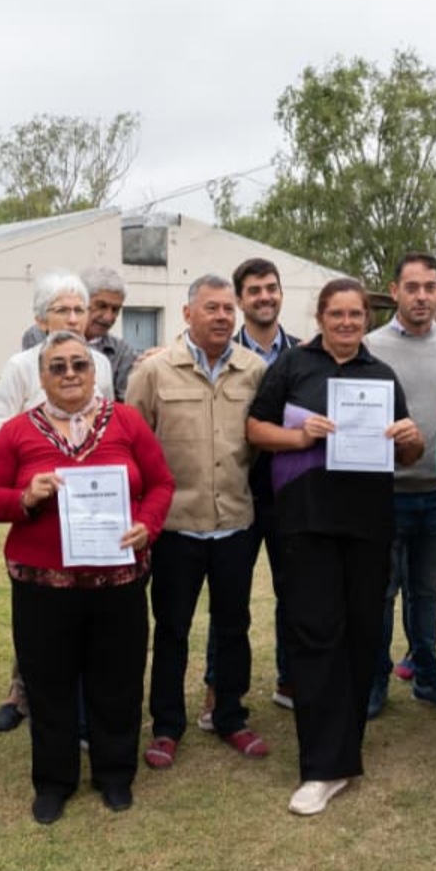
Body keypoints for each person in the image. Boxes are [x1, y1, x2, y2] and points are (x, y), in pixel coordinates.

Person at [0, 331, 174, 824]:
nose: (69, 374)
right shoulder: (17, 432)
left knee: (119, 681)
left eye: (79, 365)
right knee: (49, 684)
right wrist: (25, 496)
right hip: (43, 587)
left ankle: (114, 774)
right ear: (41, 377)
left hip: (118, 583)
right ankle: (54, 781)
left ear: (95, 372)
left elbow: (161, 483)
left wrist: (147, 526)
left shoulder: (125, 421)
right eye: (58, 366)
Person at [248, 278, 423, 817]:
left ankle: (345, 752)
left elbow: (406, 452)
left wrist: (412, 441)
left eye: (355, 315)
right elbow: (255, 429)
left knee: (363, 634)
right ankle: (321, 767)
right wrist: (301, 437)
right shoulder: (294, 367)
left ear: (365, 320)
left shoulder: (381, 375)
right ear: (321, 316)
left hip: (368, 523)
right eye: (337, 314)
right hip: (305, 521)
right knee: (314, 633)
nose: (347, 322)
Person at [126, 274, 271, 770]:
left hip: (235, 521)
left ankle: (230, 715)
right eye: (210, 308)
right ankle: (167, 726)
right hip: (174, 528)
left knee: (233, 626)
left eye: (228, 309)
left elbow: (263, 440)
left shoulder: (254, 370)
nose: (221, 317)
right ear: (187, 314)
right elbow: (131, 443)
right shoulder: (155, 371)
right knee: (172, 628)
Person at [0, 272, 111, 732]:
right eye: (63, 310)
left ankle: (84, 712)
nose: (75, 318)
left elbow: (109, 425)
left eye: (80, 309)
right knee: (42, 611)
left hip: (89, 508)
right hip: (41, 505)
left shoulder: (101, 363)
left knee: (87, 610)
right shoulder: (22, 366)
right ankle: (25, 695)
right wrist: (37, 446)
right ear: (41, 319)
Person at [364, 252, 436, 717]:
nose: (423, 296)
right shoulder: (369, 345)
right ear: (394, 292)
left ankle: (427, 673)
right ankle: (374, 680)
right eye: (412, 287)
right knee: (381, 591)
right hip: (383, 493)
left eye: (430, 286)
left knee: (427, 590)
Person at [233, 257, 300, 713]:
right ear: (240, 300)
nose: (264, 296)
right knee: (230, 599)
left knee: (293, 592)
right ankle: (224, 688)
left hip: (290, 493)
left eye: (271, 288)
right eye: (254, 290)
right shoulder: (219, 351)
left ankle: (291, 678)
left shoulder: (303, 353)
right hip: (234, 490)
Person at [19, 265, 136, 400]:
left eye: (115, 309)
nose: (108, 317)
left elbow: (118, 403)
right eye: (101, 306)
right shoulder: (37, 336)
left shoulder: (120, 352)